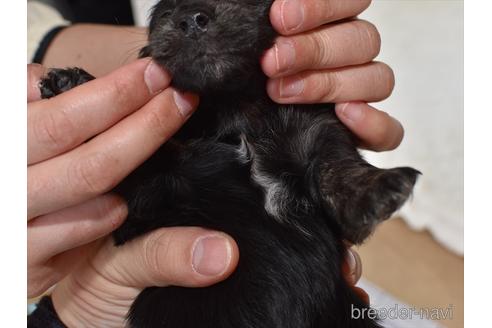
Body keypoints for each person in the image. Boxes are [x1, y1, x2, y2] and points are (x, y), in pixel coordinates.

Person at [28, 0, 403, 325]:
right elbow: (146, 189)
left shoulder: (300, 113)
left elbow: (324, 153)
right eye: (169, 10)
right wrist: (97, 107)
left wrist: (356, 188)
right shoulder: (170, 138)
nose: (192, 17)